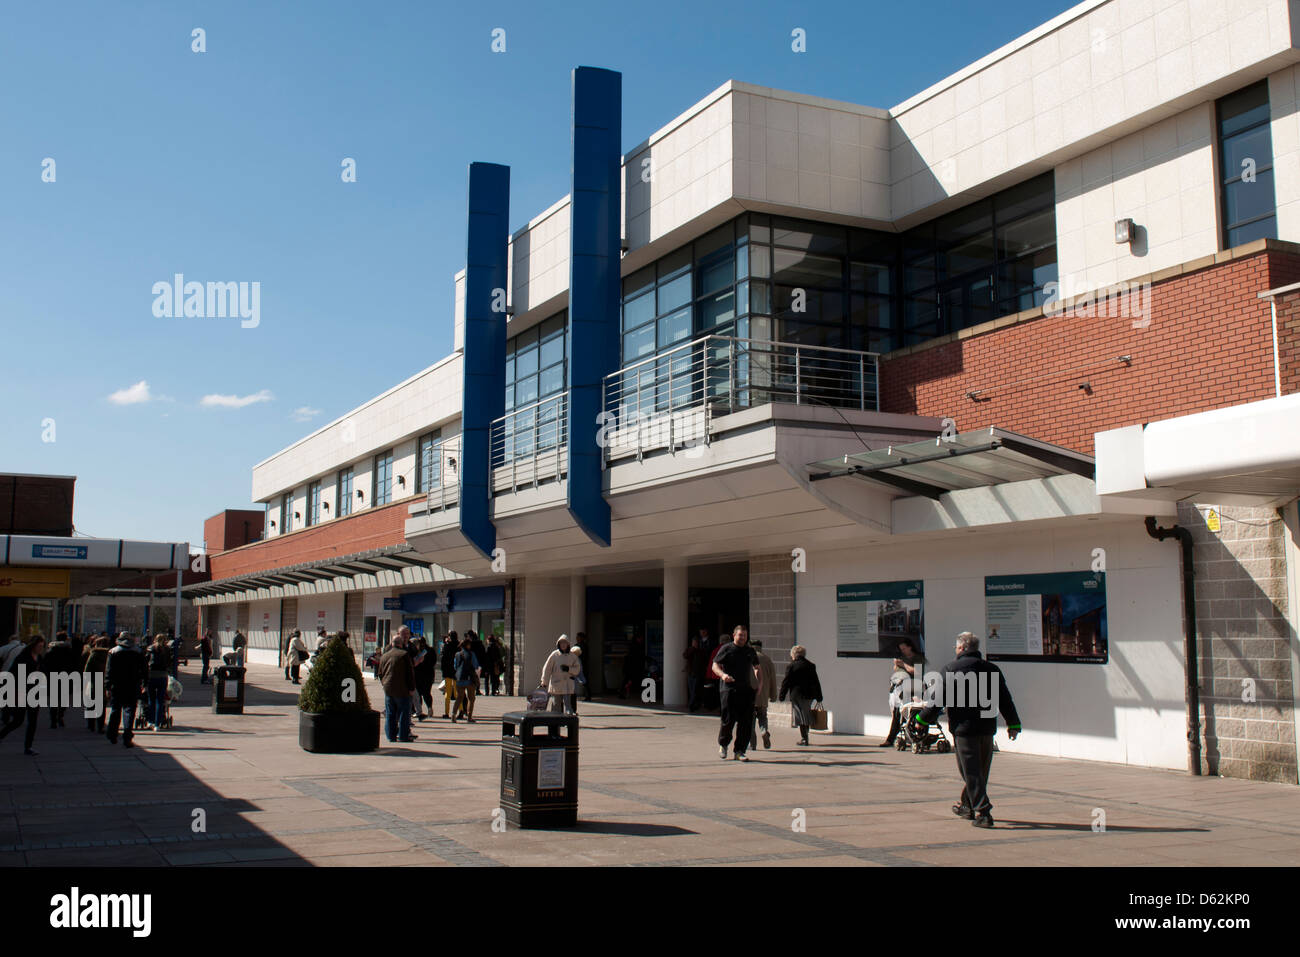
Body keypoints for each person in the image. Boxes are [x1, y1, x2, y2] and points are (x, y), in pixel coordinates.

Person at [914, 632, 1021, 829]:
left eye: (956, 647)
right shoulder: (992, 669)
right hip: (987, 728)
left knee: (970, 772)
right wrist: (1013, 724)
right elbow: (1006, 699)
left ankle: (984, 812)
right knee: (980, 771)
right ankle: (967, 805)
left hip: (964, 729)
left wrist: (922, 718)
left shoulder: (951, 669)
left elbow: (938, 699)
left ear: (962, 648)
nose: (955, 650)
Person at [711, 625, 759, 761]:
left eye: (744, 635)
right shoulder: (726, 649)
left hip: (746, 690)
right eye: (740, 635)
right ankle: (723, 744)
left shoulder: (750, 651)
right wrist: (723, 675)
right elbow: (715, 666)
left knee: (746, 722)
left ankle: (740, 751)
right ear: (734, 635)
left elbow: (757, 667)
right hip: (729, 689)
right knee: (728, 720)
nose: (742, 637)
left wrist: (759, 684)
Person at [0, 635, 46, 755]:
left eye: (42, 646)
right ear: (33, 645)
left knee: (33, 721)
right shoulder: (22, 658)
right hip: (21, 692)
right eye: (39, 646)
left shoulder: (39, 658)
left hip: (34, 693)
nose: (41, 648)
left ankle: (28, 747)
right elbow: (13, 674)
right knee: (18, 721)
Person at [879, 638, 927, 747]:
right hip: (899, 688)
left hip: (913, 688)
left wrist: (903, 664)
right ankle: (891, 738)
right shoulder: (902, 658)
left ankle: (917, 737)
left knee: (914, 711)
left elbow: (917, 672)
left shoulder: (917, 658)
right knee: (897, 713)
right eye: (901, 649)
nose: (903, 651)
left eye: (904, 649)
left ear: (910, 647)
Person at [105, 632, 147, 748]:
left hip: (117, 685)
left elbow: (109, 671)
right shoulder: (138, 651)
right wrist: (144, 683)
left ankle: (112, 734)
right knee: (129, 711)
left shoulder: (113, 651)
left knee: (115, 710)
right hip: (133, 684)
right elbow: (144, 669)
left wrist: (107, 686)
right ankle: (127, 736)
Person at [378, 628, 419, 743]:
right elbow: (409, 673)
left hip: (389, 689)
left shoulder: (384, 655)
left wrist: (384, 684)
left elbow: (380, 673)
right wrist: (411, 688)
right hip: (403, 689)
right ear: (400, 644)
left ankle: (391, 736)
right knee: (403, 713)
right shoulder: (404, 654)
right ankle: (403, 736)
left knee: (390, 713)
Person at [778, 645, 824, 747]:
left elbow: (786, 682)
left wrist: (782, 695)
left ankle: (804, 738)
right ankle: (805, 736)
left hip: (797, 695)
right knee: (805, 714)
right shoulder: (811, 665)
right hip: (809, 695)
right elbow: (816, 682)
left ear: (794, 654)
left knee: (801, 717)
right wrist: (819, 697)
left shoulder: (791, 666)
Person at [43, 631, 79, 730]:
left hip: (53, 677)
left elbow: (45, 665)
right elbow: (74, 665)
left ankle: (53, 720)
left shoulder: (50, 651)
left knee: (54, 700)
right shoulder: (69, 651)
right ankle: (60, 716)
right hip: (66, 678)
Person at [540, 634, 581, 714]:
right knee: (556, 705)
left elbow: (577, 669)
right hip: (556, 685)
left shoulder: (573, 657)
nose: (563, 645)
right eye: (561, 643)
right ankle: (555, 723)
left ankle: (568, 722)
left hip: (568, 685)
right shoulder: (554, 655)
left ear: (568, 644)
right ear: (558, 644)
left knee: (568, 706)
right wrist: (544, 682)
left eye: (565, 643)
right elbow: (547, 668)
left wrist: (569, 669)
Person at [751, 639, 777, 750]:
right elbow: (773, 679)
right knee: (762, 717)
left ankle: (752, 744)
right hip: (763, 695)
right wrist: (773, 695)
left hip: (750, 695)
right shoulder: (767, 659)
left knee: (750, 722)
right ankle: (764, 731)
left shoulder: (748, 658)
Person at [83, 636, 111, 733]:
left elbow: (87, 669)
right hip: (104, 681)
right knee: (102, 705)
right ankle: (100, 726)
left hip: (94, 681)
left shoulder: (93, 654)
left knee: (91, 703)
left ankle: (91, 724)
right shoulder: (109, 654)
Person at [145, 634, 172, 730]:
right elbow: (169, 662)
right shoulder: (167, 649)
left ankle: (150, 721)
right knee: (160, 700)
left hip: (151, 676)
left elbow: (146, 662)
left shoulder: (150, 649)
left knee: (151, 700)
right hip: (163, 676)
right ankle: (158, 723)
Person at [452, 636, 481, 723]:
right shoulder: (472, 654)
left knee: (459, 698)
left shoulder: (457, 655)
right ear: (468, 645)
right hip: (469, 679)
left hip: (459, 679)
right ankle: (469, 716)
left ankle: (453, 714)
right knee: (471, 698)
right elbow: (476, 666)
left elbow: (455, 666)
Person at [412, 636, 434, 720]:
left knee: (420, 693)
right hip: (427, 675)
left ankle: (420, 710)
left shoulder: (420, 651)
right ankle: (428, 708)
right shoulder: (430, 650)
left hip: (421, 675)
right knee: (426, 693)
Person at [683, 635, 707, 712]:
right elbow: (685, 655)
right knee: (692, 689)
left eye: (696, 642)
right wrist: (692, 649)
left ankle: (693, 705)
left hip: (698, 673)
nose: (695, 643)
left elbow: (703, 661)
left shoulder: (701, 651)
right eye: (694, 642)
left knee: (695, 690)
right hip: (691, 673)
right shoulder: (690, 650)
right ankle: (693, 704)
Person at [439, 632, 459, 718]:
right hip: (457, 672)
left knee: (448, 692)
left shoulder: (446, 646)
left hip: (448, 672)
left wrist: (443, 670)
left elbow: (443, 659)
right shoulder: (459, 646)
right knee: (458, 693)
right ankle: (461, 711)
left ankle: (447, 712)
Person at [620, 635, 645, 700]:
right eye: (640, 638)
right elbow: (637, 657)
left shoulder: (633, 646)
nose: (641, 639)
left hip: (630, 667)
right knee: (628, 679)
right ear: (637, 638)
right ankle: (623, 692)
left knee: (627, 680)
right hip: (631, 667)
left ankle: (623, 692)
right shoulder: (636, 646)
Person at [468, 630, 489, 695]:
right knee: (477, 676)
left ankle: (471, 688)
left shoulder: (470, 645)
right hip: (479, 663)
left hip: (471, 663)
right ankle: (477, 689)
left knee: (471, 676)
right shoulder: (480, 644)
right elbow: (483, 655)